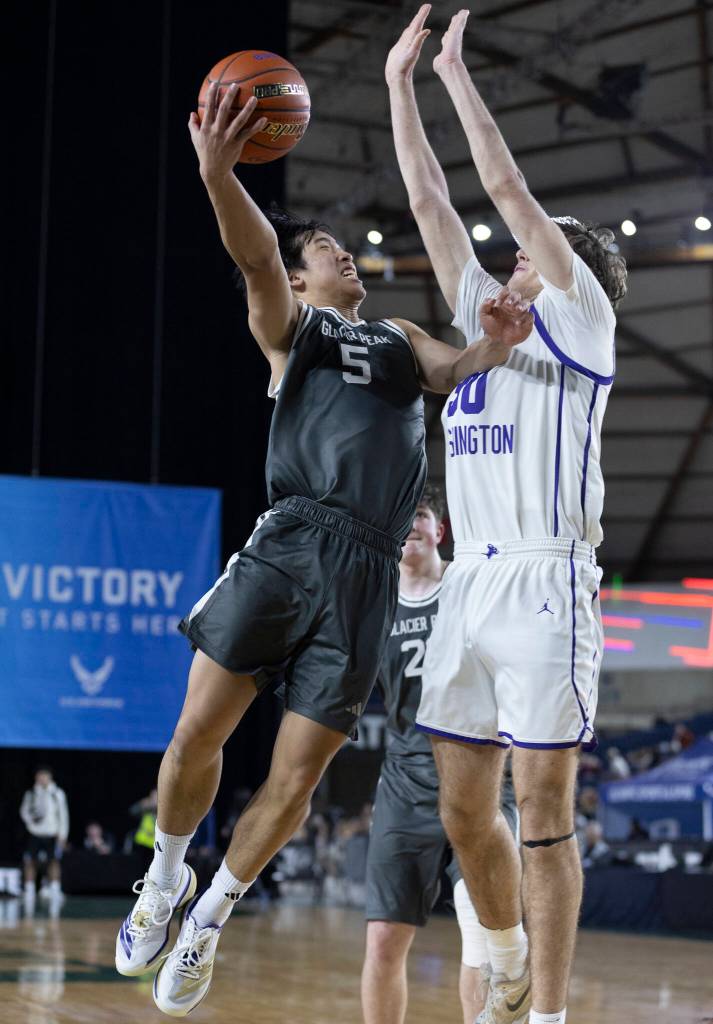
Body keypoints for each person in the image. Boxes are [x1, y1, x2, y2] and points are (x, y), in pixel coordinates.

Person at [114, 81, 533, 1017]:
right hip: (292, 538)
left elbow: (456, 369)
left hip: (368, 570)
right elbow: (257, 254)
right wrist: (219, 174)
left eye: (341, 248)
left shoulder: (398, 333)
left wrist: (494, 346)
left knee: (295, 777)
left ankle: (213, 918)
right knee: (197, 735)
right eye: (323, 249)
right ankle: (165, 882)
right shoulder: (292, 330)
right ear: (302, 279)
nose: (342, 252)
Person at [386, 8, 627, 1024]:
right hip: (470, 585)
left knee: (541, 811)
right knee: (458, 804)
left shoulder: (581, 321)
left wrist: (452, 71)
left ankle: (546, 1015)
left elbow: (501, 189)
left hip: (543, 581)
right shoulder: (488, 319)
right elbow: (433, 198)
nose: (514, 256)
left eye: (534, 252)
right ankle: (502, 952)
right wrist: (397, 84)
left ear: (562, 268)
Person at [361, 483, 519, 1024]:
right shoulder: (374, 602)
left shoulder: (470, 586)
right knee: (383, 940)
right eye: (403, 517)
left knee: (480, 937)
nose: (411, 525)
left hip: (478, 778)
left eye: (421, 515)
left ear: (439, 530)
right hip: (405, 785)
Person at [20, 766, 69, 902]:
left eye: (44, 775)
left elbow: (63, 815)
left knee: (53, 861)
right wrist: (31, 822)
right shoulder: (31, 793)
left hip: (52, 834)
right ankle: (29, 889)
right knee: (30, 860)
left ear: (50, 777)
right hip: (34, 833)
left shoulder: (57, 793)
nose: (42, 778)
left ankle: (54, 888)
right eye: (39, 776)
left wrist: (62, 835)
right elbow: (24, 811)